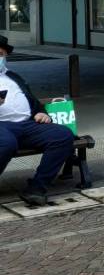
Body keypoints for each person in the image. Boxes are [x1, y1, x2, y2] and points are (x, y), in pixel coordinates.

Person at [0, 35, 75, 206]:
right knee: (6, 143)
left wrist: (41, 113)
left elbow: (32, 101)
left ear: (5, 56)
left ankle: (36, 188)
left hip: (27, 124)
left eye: (0, 54)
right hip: (2, 127)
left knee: (62, 135)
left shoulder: (13, 76)